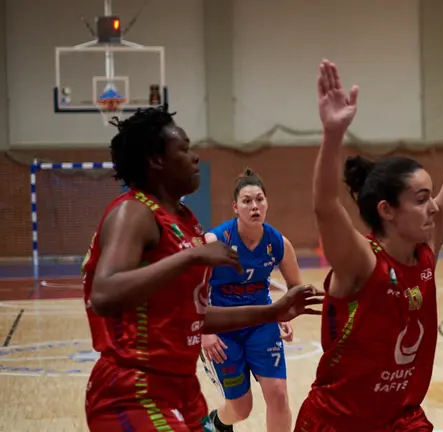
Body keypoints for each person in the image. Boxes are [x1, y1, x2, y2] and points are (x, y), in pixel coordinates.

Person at [294, 10, 443, 432]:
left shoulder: (425, 248)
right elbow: (325, 207)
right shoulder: (361, 263)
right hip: (338, 423)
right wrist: (332, 134)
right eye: (421, 198)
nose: (433, 208)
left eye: (432, 197)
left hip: (400, 421)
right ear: (387, 210)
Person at [81, 105, 324, 432]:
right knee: (242, 405)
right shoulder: (134, 212)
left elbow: (188, 313)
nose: (195, 157)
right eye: (183, 149)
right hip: (134, 387)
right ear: (156, 161)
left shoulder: (183, 221)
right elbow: (105, 293)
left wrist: (272, 312)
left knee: (271, 396)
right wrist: (193, 257)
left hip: (180, 385)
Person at [201, 168, 299, 432]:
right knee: (241, 408)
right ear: (235, 207)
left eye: (259, 199)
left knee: (278, 394)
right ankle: (216, 423)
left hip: (260, 324)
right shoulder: (215, 241)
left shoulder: (279, 243)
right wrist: (204, 332)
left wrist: (284, 312)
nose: (254, 206)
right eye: (247, 201)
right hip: (222, 329)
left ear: (267, 203)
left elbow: (295, 288)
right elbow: (188, 290)